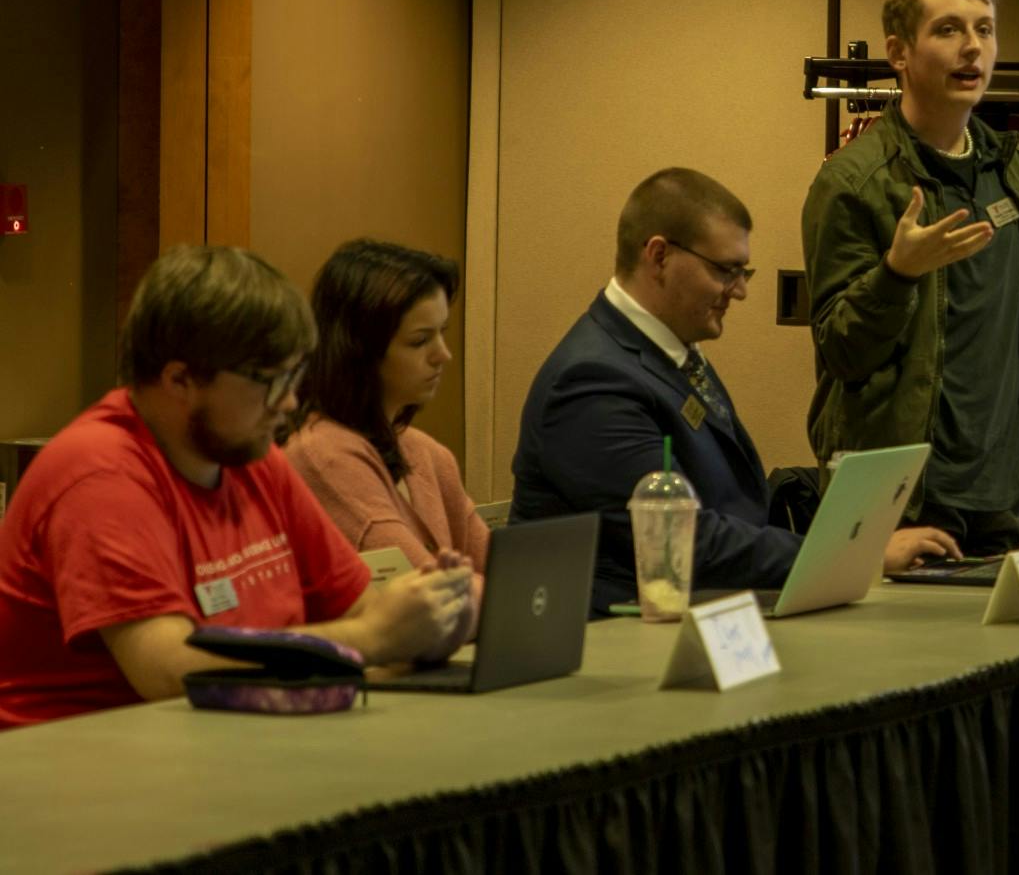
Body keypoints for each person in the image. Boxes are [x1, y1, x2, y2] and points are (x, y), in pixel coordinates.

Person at [0, 245, 473, 730]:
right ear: (180, 379)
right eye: (270, 382)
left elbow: (358, 602)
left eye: (295, 377)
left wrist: (430, 615)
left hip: (225, 744)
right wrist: (373, 638)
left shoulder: (253, 456)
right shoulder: (99, 474)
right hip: (84, 770)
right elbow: (167, 672)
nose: (290, 402)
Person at [513, 168, 958, 614]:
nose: (740, 291)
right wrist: (855, 555)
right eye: (726, 271)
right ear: (659, 256)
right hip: (614, 643)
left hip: (697, 618)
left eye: (745, 272)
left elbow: (730, 513)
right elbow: (686, 542)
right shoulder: (591, 380)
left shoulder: (669, 352)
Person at [802, 0, 1019, 555]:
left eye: (985, 30)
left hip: (1002, 493)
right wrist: (897, 276)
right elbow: (840, 349)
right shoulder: (852, 183)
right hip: (902, 499)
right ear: (898, 52)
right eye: (948, 30)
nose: (973, 48)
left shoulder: (1011, 168)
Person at [282, 240, 489, 587]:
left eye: (442, 333)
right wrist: (499, 598)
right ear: (360, 351)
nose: (443, 355)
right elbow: (430, 598)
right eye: (420, 341)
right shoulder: (323, 456)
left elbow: (512, 575)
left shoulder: (428, 454)